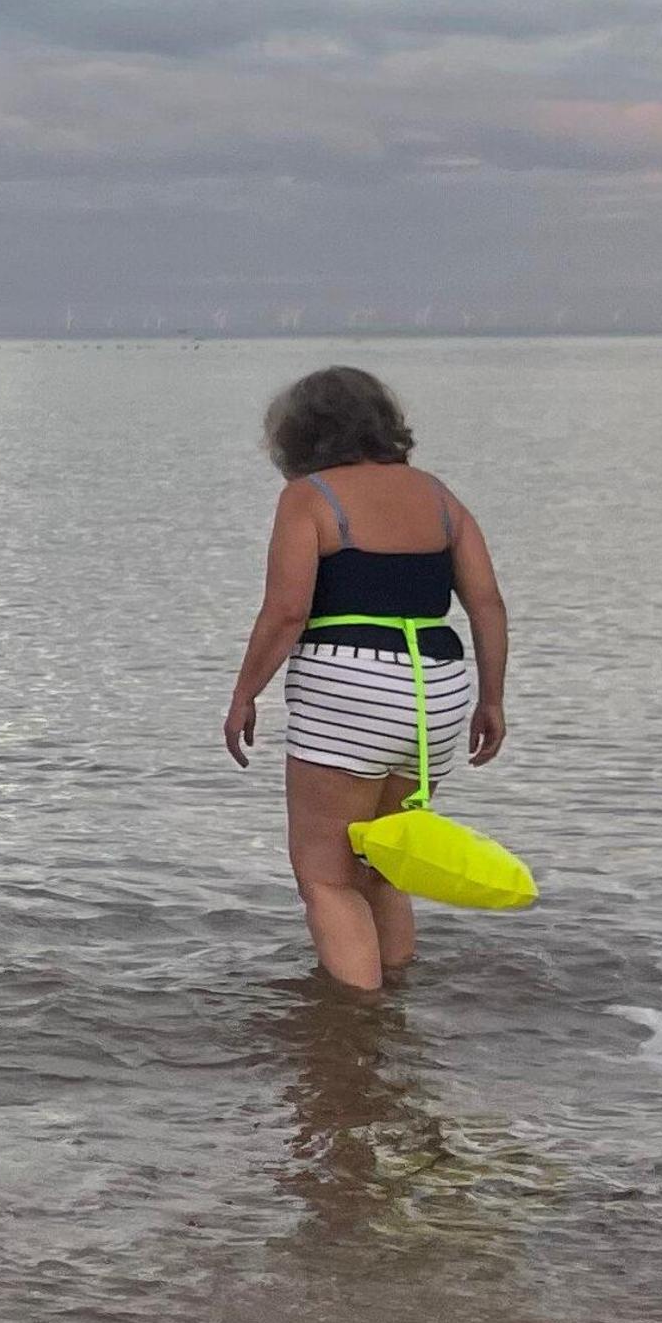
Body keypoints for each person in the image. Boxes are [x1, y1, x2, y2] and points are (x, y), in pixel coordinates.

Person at [222, 366, 511, 990]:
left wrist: (245, 692)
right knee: (383, 864)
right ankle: (397, 1007)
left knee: (325, 875)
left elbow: (287, 610)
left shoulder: (310, 497)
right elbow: (486, 602)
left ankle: (355, 1028)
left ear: (300, 434)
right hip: (438, 685)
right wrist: (492, 700)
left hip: (350, 685)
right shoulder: (438, 495)